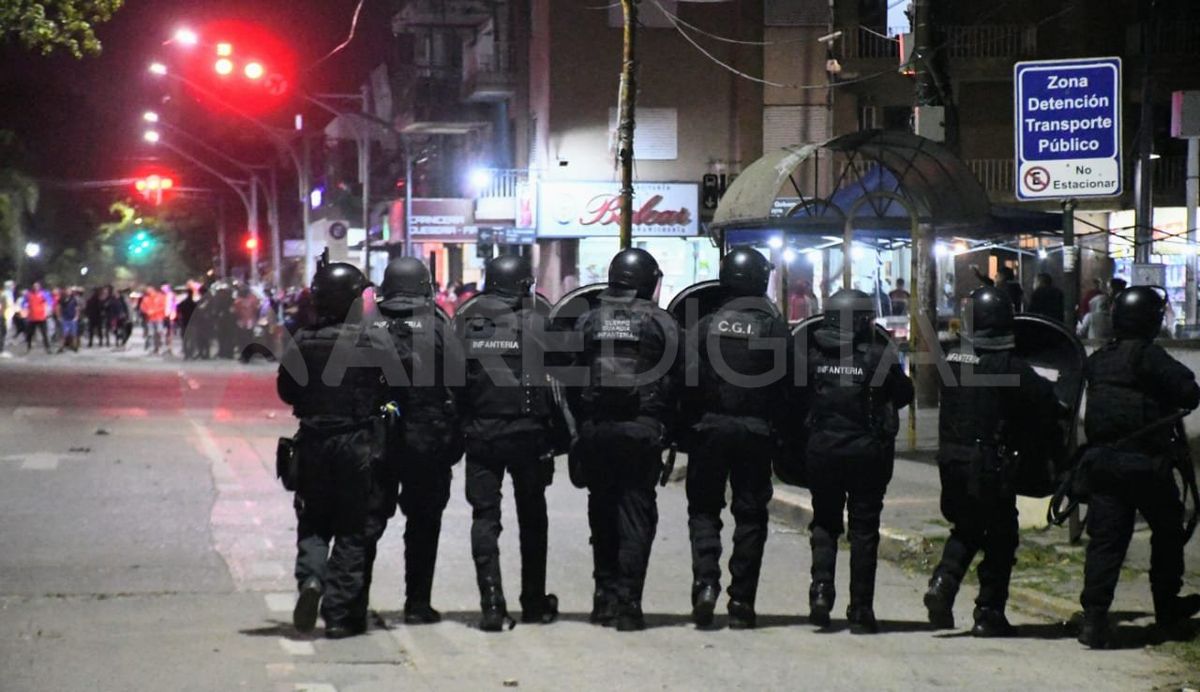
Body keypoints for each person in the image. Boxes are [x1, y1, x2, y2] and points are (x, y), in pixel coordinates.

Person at [925, 286, 1061, 636]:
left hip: (951, 461)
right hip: (987, 464)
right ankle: (989, 613)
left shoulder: (952, 358)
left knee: (967, 526)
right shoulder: (1008, 365)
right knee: (1002, 536)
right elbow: (1045, 399)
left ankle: (943, 581)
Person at [278, 262, 397, 639]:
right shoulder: (374, 341)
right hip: (357, 445)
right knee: (352, 529)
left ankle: (312, 579)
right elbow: (395, 386)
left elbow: (287, 392)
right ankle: (341, 615)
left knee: (313, 522)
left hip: (313, 441)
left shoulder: (304, 340)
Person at [1077, 286, 1200, 648]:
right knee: (1167, 534)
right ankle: (1167, 612)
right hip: (1144, 464)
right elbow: (1189, 392)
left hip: (1103, 464)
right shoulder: (1149, 356)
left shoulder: (1100, 358)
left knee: (1106, 544)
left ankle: (1094, 620)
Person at [679, 247, 794, 629]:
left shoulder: (705, 324)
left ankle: (705, 584)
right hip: (756, 433)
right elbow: (789, 386)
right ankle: (742, 602)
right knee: (751, 515)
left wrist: (686, 428)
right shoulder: (775, 327)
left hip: (709, 431)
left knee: (704, 511)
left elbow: (686, 382)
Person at [566, 248, 680, 631]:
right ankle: (629, 605)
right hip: (641, 433)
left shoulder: (587, 321)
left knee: (602, 514)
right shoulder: (661, 322)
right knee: (636, 516)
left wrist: (581, 425)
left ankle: (603, 600)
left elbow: (568, 378)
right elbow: (683, 379)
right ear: (648, 281)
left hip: (598, 432)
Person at [456, 255, 563, 632]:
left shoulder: (468, 325)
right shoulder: (539, 323)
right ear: (521, 285)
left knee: (485, 519)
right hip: (530, 437)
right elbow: (563, 377)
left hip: (482, 436)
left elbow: (453, 384)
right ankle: (533, 602)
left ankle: (491, 604)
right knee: (533, 518)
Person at [804, 288, 912, 634]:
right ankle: (861, 609)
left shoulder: (812, 356)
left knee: (825, 523)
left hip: (823, 452)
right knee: (863, 531)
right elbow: (904, 395)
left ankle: (821, 592)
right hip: (867, 455)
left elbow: (794, 399)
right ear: (864, 321)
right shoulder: (879, 357)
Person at [377, 257, 463, 625]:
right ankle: (417, 604)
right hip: (427, 440)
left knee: (365, 524)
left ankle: (349, 604)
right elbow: (460, 381)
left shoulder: (369, 325)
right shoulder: (438, 326)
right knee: (424, 524)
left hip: (376, 437)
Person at [22, 282, 51, 354]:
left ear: (40, 287)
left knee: (44, 333)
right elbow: (24, 303)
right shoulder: (29, 295)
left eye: (37, 286)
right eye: (34, 286)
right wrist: (26, 308)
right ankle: (28, 347)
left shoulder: (44, 294)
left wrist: (48, 311)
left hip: (42, 317)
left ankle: (47, 348)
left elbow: (50, 302)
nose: (36, 287)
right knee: (30, 333)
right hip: (32, 317)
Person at [57, 287, 81, 353]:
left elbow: (77, 308)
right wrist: (59, 317)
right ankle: (61, 347)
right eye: (67, 291)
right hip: (64, 319)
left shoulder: (74, 299)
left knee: (74, 334)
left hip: (72, 319)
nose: (68, 292)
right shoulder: (61, 299)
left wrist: (76, 317)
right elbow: (58, 308)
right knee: (63, 334)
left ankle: (75, 347)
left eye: (69, 291)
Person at [0, 280, 13, 357]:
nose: (13, 287)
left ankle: (2, 349)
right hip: (4, 316)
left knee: (4, 332)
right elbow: (5, 305)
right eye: (11, 285)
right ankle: (1, 350)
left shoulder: (6, 294)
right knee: (3, 332)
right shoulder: (4, 294)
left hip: (6, 315)